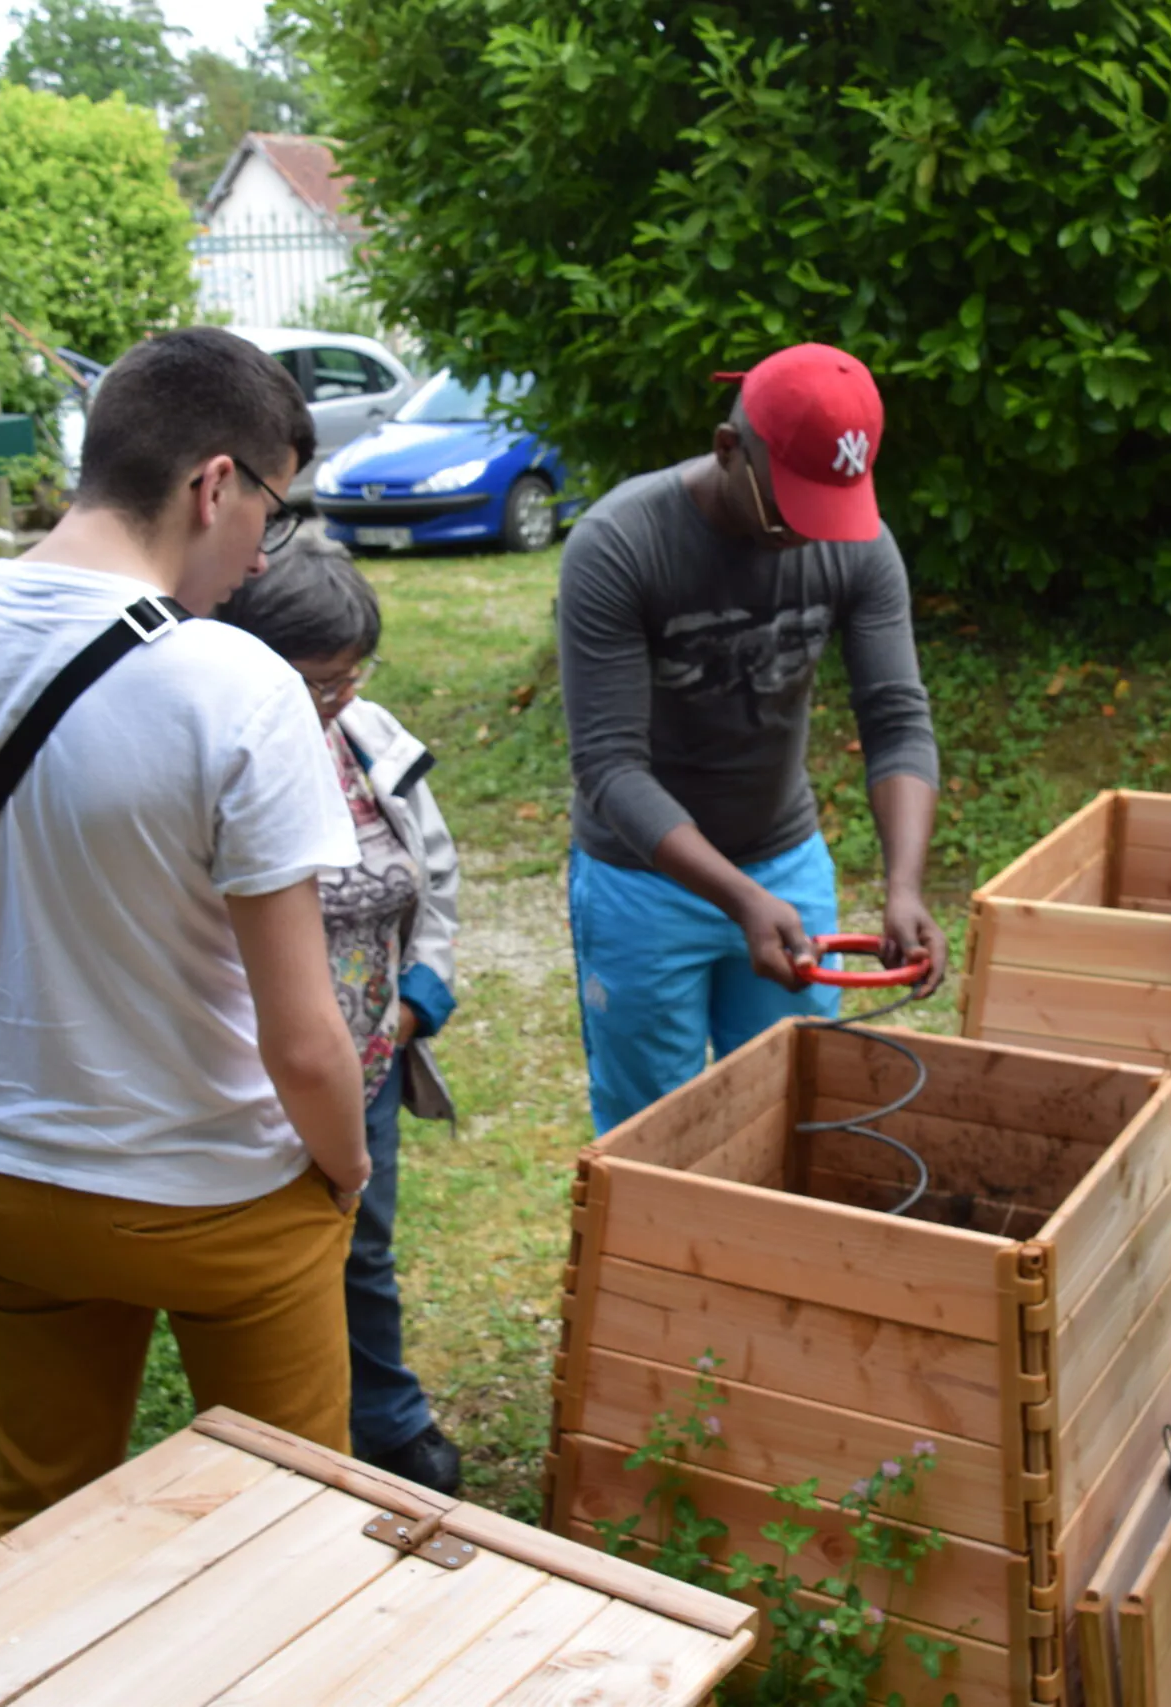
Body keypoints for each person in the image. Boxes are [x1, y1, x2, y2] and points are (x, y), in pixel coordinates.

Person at [0, 327, 371, 1536]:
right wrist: (345, 1166)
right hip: (227, 1196)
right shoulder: (236, 687)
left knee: (39, 1524)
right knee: (298, 1527)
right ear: (215, 483)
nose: (258, 556)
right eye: (271, 514)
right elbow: (301, 1037)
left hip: (10, 1187)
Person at [558, 343, 945, 1132]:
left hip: (784, 862)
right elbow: (609, 764)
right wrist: (737, 897)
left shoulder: (858, 542)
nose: (811, 536)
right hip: (643, 882)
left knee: (797, 1109)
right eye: (792, 509)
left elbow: (896, 717)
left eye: (831, 509)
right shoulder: (621, 545)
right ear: (727, 450)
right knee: (654, 1129)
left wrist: (903, 884)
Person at [214, 535, 465, 1494]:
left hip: (368, 1055)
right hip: (255, 1074)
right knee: (268, 1262)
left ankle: (387, 1412)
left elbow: (432, 869)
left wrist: (415, 1001)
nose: (344, 698)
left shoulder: (369, 740)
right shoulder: (224, 756)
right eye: (322, 683)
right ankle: (283, 1440)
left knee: (362, 1242)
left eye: (355, 674)